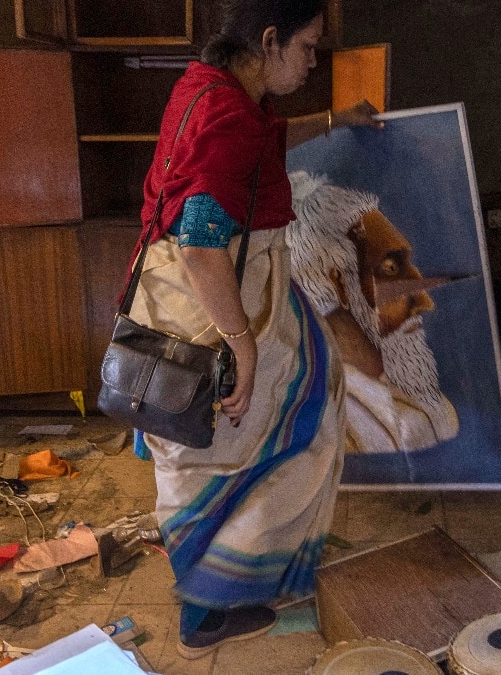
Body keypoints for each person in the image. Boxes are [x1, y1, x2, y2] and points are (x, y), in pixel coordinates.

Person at [127, 1, 382, 659]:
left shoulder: (212, 89)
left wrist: (333, 122)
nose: (312, 59)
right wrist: (240, 344)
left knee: (262, 427)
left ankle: (239, 573)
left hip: (194, 292)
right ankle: (205, 611)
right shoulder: (226, 117)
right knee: (228, 443)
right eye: (307, 46)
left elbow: (262, 141)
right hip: (212, 297)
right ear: (269, 41)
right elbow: (201, 244)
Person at [287, 172, 460, 453]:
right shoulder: (325, 420)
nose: (424, 300)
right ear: (340, 286)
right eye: (390, 269)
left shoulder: (421, 400)